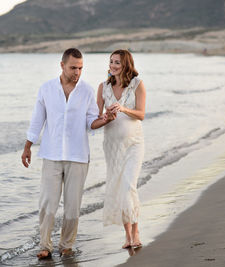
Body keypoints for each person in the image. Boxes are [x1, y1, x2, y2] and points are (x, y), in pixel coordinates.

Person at [21, 48, 114, 259]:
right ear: (62, 65)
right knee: (47, 204)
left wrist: (106, 119)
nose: (77, 72)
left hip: (78, 156)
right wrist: (27, 146)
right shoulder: (46, 89)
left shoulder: (87, 91)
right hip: (51, 155)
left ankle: (66, 245)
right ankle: (45, 245)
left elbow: (92, 122)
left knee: (73, 206)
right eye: (73, 67)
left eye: (80, 68)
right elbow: (37, 120)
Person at [97, 49, 146, 249]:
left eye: (117, 62)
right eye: (111, 62)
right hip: (112, 145)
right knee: (119, 188)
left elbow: (141, 114)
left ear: (126, 64)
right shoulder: (103, 87)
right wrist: (107, 116)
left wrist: (124, 108)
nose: (113, 65)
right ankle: (127, 235)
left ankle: (136, 231)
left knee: (128, 186)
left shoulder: (137, 84)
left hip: (134, 143)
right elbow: (95, 117)